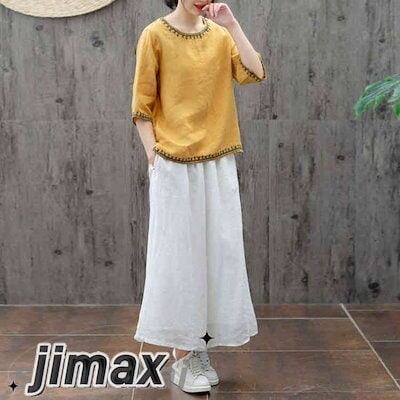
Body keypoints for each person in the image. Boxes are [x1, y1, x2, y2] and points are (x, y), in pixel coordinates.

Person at [131, 0, 268, 393]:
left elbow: (254, 72)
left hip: (218, 161)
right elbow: (142, 106)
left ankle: (198, 350)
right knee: (179, 260)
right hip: (173, 163)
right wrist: (154, 158)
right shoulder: (154, 35)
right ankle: (183, 355)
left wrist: (233, 24)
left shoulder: (220, 36)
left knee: (217, 258)